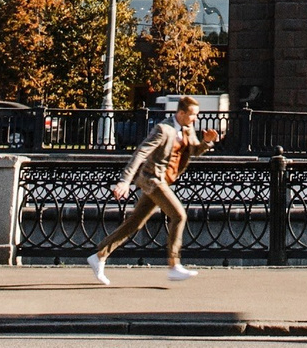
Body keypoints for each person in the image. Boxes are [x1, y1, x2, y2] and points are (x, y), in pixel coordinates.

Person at [86, 96, 216, 284]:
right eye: (193, 115)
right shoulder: (163, 129)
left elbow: (193, 151)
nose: (195, 118)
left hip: (164, 181)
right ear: (180, 113)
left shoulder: (187, 129)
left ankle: (99, 256)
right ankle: (173, 265)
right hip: (153, 180)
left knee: (134, 223)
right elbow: (140, 153)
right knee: (179, 215)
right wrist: (125, 181)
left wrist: (206, 142)